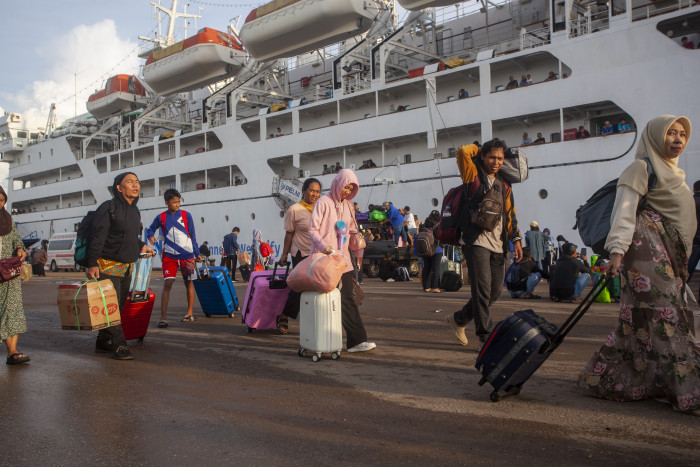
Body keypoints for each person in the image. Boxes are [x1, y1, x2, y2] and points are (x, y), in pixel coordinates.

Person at [579, 115, 700, 414]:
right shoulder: (640, 168)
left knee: (642, 321)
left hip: (671, 255)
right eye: (670, 133)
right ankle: (690, 390)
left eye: (682, 134)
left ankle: (614, 379)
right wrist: (617, 253)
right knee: (667, 316)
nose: (678, 139)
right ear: (655, 136)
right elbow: (624, 212)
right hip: (645, 249)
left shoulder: (677, 176)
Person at [445, 140, 523, 347]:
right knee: (481, 289)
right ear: (482, 157)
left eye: (500, 158)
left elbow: (510, 214)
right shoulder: (472, 175)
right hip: (476, 240)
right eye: (491, 157)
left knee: (495, 291)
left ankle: (459, 319)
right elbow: (462, 151)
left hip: (498, 243)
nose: (496, 162)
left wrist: (516, 239)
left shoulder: (504, 184)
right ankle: (485, 336)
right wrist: (479, 148)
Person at [87, 172, 155, 360]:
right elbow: (98, 237)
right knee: (111, 308)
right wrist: (92, 263)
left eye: (137, 182)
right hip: (106, 266)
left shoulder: (135, 210)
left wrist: (143, 246)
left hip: (126, 267)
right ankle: (119, 345)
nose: (135, 185)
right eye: (130, 182)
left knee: (119, 306)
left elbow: (130, 237)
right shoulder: (108, 208)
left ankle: (102, 342)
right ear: (119, 188)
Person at [309, 169, 376, 353]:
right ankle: (318, 338)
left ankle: (356, 341)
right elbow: (313, 230)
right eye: (345, 186)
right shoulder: (323, 202)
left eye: (351, 188)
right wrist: (325, 247)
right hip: (324, 259)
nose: (347, 191)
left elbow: (353, 229)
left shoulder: (348, 205)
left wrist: (359, 253)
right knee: (322, 299)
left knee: (347, 298)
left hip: (343, 260)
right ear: (338, 183)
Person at [147, 188, 202, 327]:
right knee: (168, 283)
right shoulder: (161, 217)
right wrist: (150, 236)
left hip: (187, 255)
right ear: (166, 203)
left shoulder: (186, 215)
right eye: (174, 202)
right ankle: (163, 317)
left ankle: (189, 313)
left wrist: (197, 253)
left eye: (178, 201)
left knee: (188, 282)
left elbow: (193, 236)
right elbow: (150, 229)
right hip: (169, 255)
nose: (177, 204)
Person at [278, 178, 321, 333]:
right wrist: (284, 254)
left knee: (319, 286)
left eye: (317, 191)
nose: (314, 194)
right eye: (311, 190)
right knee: (298, 287)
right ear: (303, 191)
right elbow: (289, 234)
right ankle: (284, 315)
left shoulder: (321, 208)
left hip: (318, 254)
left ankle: (315, 319)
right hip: (300, 253)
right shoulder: (294, 209)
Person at [0, 186, 30, 365]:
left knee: (12, 309)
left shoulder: (8, 220)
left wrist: (19, 248)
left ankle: (12, 351)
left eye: (1, 200)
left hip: (7, 272)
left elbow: (17, 240)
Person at [421, 210, 442, 293]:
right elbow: (440, 237)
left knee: (426, 268)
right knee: (435, 268)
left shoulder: (424, 225)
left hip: (426, 249)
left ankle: (426, 287)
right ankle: (435, 287)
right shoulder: (438, 225)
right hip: (437, 249)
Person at [688, 180, 700, 281]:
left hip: (695, 241)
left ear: (694, 189)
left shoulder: (691, 202)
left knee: (688, 270)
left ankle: (682, 294)